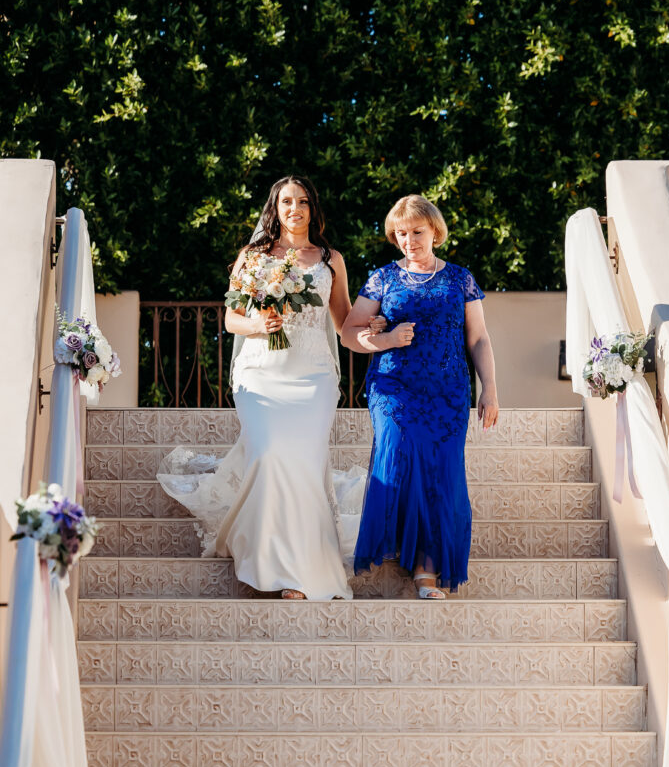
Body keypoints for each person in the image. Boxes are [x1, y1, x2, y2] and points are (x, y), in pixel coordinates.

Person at [158, 175, 379, 600]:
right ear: (274, 210)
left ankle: (301, 571)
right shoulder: (253, 256)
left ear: (312, 208)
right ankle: (268, 558)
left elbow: (344, 324)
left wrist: (377, 332)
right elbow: (231, 319)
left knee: (303, 458)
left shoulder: (331, 259)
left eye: (302, 202)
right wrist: (259, 325)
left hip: (314, 373)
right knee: (271, 452)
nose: (294, 209)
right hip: (261, 372)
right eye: (286, 203)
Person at [341, 194, 499, 599]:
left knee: (440, 473)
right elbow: (349, 333)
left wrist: (490, 390)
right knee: (394, 455)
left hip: (447, 392)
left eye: (417, 231)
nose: (409, 239)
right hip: (393, 387)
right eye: (401, 233)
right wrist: (385, 339)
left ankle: (426, 570)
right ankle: (392, 544)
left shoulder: (460, 278)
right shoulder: (382, 278)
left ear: (435, 231)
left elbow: (478, 338)